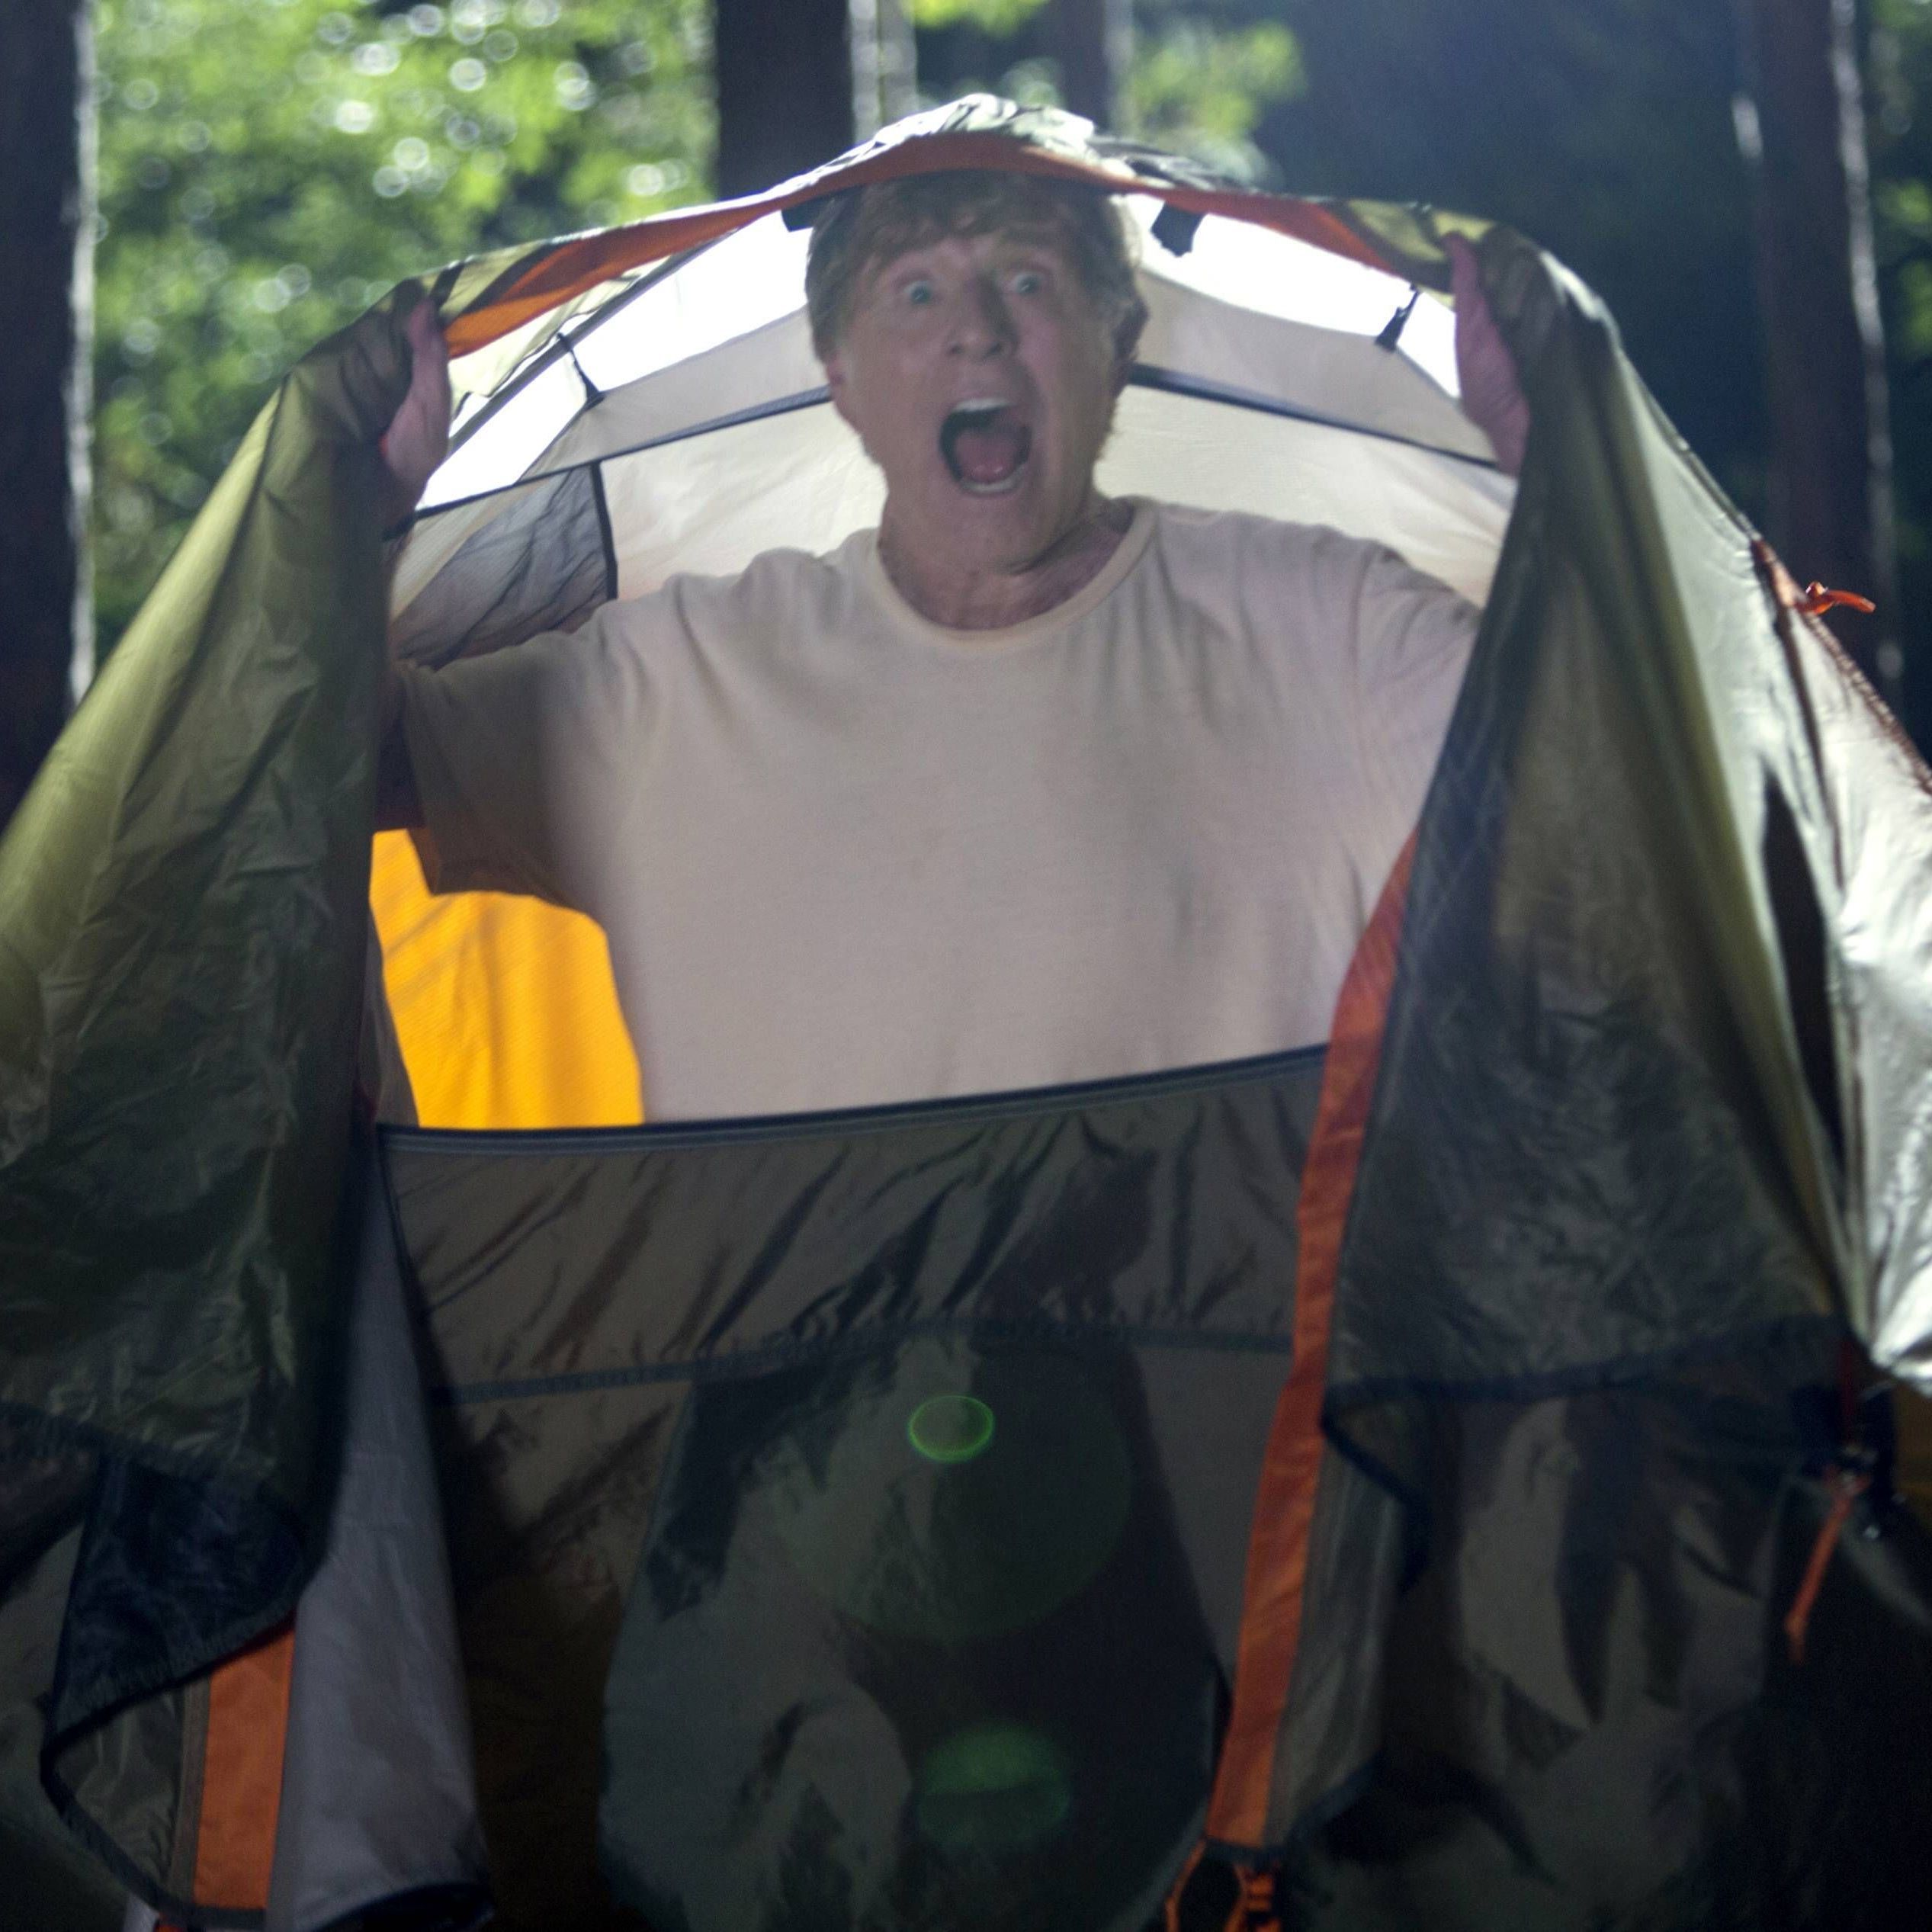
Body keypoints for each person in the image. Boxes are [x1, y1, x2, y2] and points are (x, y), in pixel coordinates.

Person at [374, 168, 1529, 1121]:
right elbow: (328, 766)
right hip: (803, 1389)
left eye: (1025, 282)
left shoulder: (1330, 628)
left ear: (1113, 344)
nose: (975, 332)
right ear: (840, 376)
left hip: (1221, 1382)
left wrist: (1564, 470)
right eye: (915, 294)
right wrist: (346, 513)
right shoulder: (671, 681)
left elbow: (1600, 775)